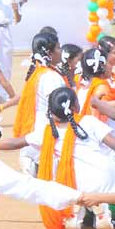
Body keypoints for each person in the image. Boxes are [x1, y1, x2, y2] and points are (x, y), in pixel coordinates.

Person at [0, 87, 115, 229]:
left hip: (76, 188)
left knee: (78, 197)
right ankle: (104, 208)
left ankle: (82, 211)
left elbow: (15, 143)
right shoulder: (88, 121)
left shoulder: (46, 133)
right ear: (75, 107)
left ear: (51, 112)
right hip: (104, 179)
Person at [12, 32, 67, 175]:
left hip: (35, 130)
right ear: (49, 52)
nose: (61, 51)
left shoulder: (39, 72)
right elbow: (58, 107)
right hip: (47, 133)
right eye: (58, 48)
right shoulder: (50, 77)